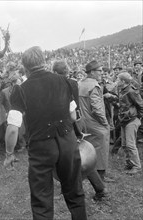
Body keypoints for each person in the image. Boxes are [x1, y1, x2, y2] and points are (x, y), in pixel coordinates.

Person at [4, 46, 87, 219]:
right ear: (44, 62)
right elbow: (73, 115)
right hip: (67, 140)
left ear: (25, 67)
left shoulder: (20, 89)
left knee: (41, 198)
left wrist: (9, 153)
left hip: (41, 146)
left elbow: (12, 129)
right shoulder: (64, 81)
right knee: (75, 190)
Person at [53, 60, 108, 201]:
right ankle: (100, 189)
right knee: (82, 157)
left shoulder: (64, 84)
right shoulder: (73, 83)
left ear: (54, 73)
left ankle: (69, 190)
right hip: (76, 122)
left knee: (69, 159)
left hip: (66, 125)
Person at [78, 60, 113, 183]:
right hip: (95, 123)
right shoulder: (94, 86)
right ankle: (100, 177)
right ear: (92, 72)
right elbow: (97, 109)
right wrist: (105, 123)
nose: (101, 73)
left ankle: (88, 174)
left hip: (84, 123)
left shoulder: (80, 83)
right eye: (99, 71)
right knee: (102, 150)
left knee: (88, 150)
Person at [116, 72, 143, 174]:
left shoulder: (131, 91)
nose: (117, 81)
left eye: (118, 79)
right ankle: (129, 163)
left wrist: (138, 118)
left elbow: (141, 105)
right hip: (124, 120)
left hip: (131, 120)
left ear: (123, 81)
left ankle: (137, 166)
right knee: (124, 144)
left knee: (130, 145)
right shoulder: (122, 90)